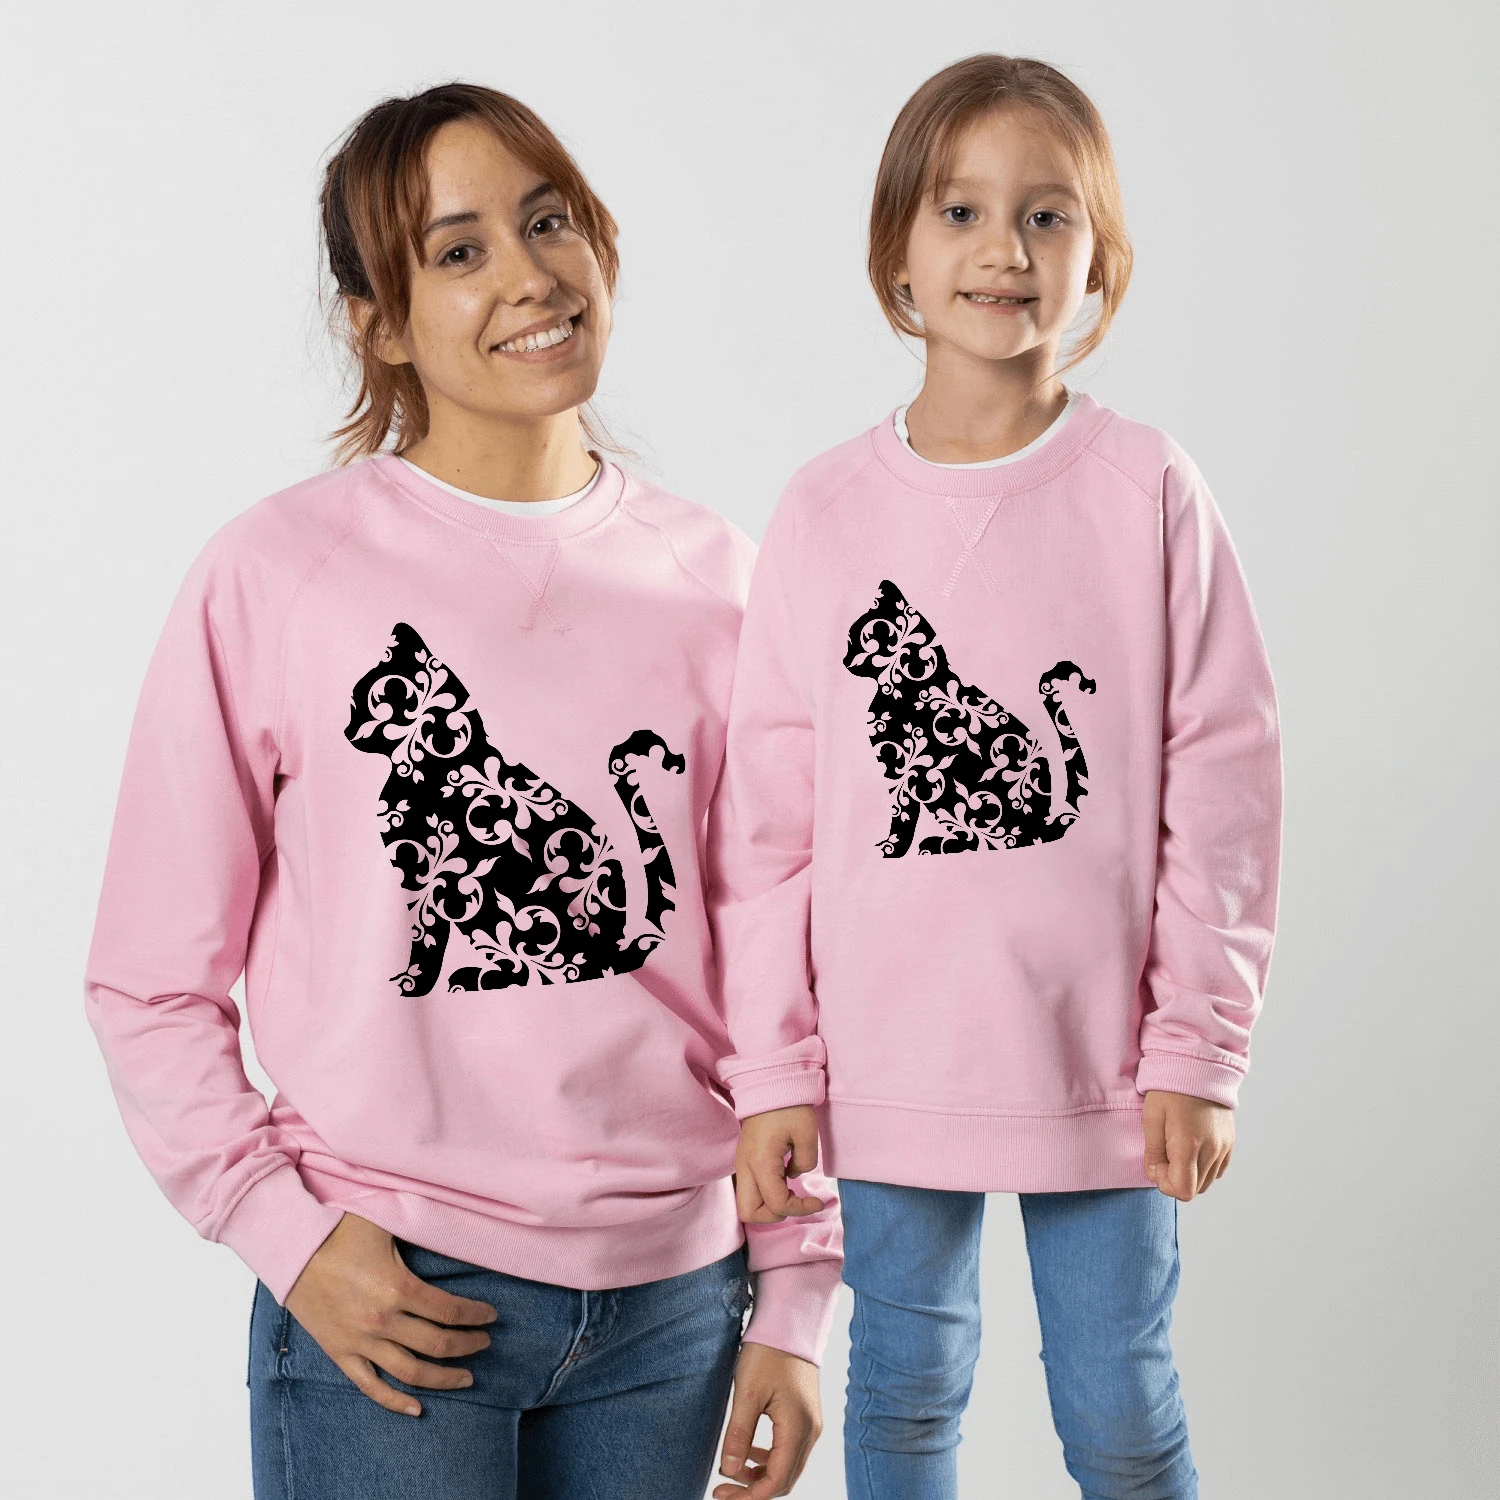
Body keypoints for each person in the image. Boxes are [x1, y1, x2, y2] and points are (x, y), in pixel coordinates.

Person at [84, 82, 840, 1500]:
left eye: (549, 222)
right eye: (458, 250)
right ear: (377, 321)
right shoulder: (279, 576)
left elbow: (790, 972)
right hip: (393, 1296)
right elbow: (148, 977)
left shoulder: (727, 584)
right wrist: (285, 1233)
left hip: (677, 1306)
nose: (530, 276)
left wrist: (796, 1295)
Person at [710, 53, 1282, 1500]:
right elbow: (767, 828)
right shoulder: (824, 512)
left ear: (1101, 256)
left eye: (1046, 215)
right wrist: (774, 1068)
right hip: (889, 1062)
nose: (1003, 250)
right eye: (960, 211)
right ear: (897, 252)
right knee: (904, 1392)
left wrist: (1199, 1048)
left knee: (1120, 1405)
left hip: (1111, 1065)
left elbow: (1224, 780)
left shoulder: (1149, 488)